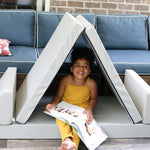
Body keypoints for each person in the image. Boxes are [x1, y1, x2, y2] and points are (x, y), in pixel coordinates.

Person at [45, 47, 98, 150]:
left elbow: (94, 99)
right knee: (60, 121)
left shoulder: (91, 83)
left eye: (85, 66)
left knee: (78, 125)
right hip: (66, 107)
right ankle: (68, 140)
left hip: (81, 109)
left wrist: (89, 110)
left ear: (89, 71)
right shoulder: (65, 80)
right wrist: (53, 104)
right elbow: (58, 96)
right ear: (72, 69)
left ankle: (73, 146)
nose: (81, 68)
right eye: (78, 65)